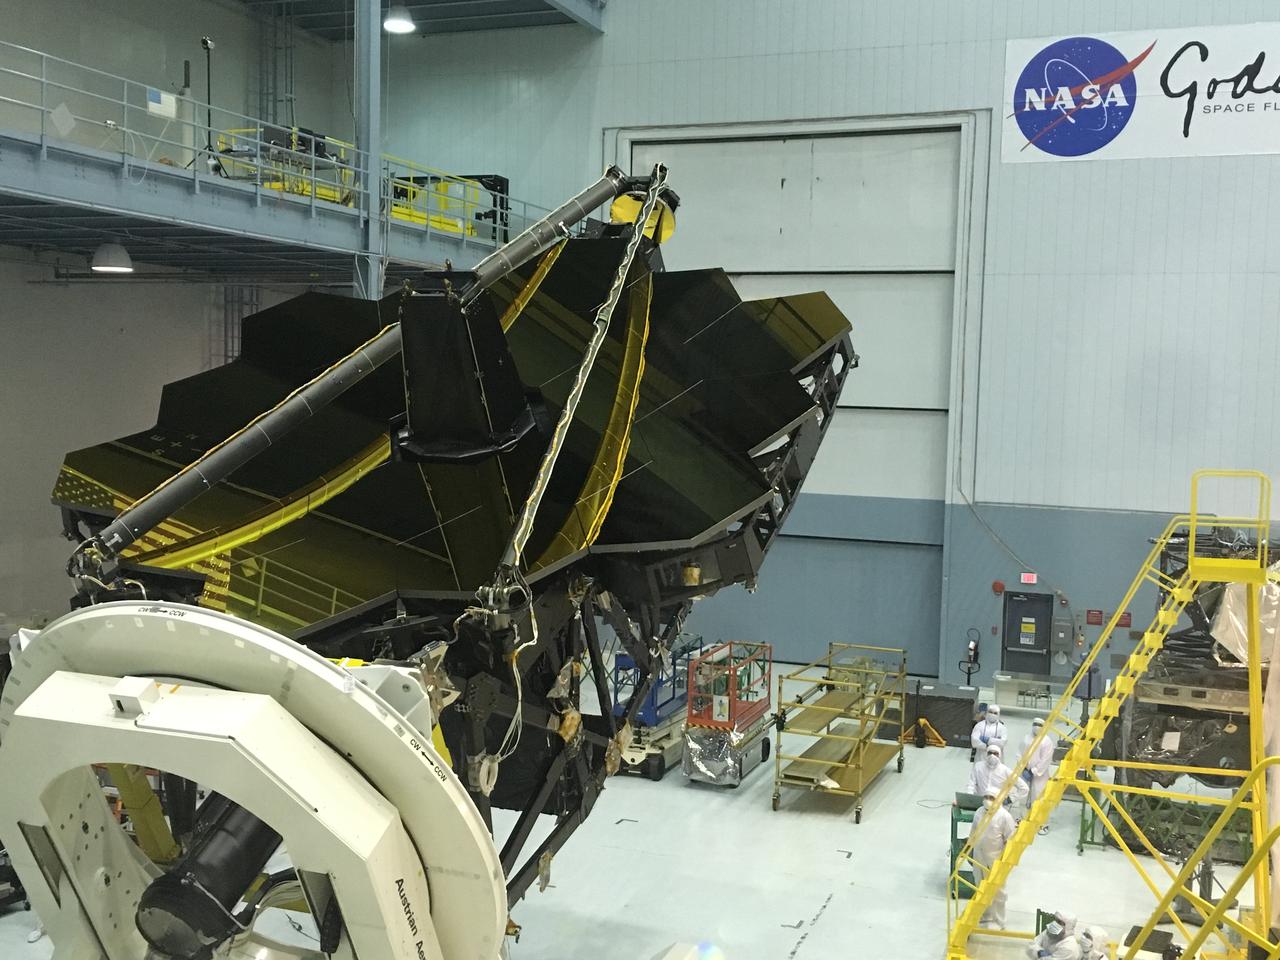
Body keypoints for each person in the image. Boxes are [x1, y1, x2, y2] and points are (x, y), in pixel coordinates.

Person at [970, 785, 1016, 930]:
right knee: (980, 886)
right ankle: (985, 916)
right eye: (986, 797)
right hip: (979, 856)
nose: (988, 800)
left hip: (995, 858)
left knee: (998, 891)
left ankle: (1000, 921)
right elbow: (973, 830)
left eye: (991, 798)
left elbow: (1011, 839)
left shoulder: (1004, 817)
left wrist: (1004, 861)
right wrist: (970, 848)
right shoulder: (979, 811)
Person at [1020, 717, 1056, 807]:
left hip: (1040, 776)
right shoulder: (1026, 738)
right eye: (1035, 724)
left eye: (1039, 725)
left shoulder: (1047, 741)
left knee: (1038, 798)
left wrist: (1033, 771)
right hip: (1025, 773)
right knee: (1023, 798)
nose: (1037, 727)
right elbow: (1019, 754)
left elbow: (1046, 759)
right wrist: (1023, 768)